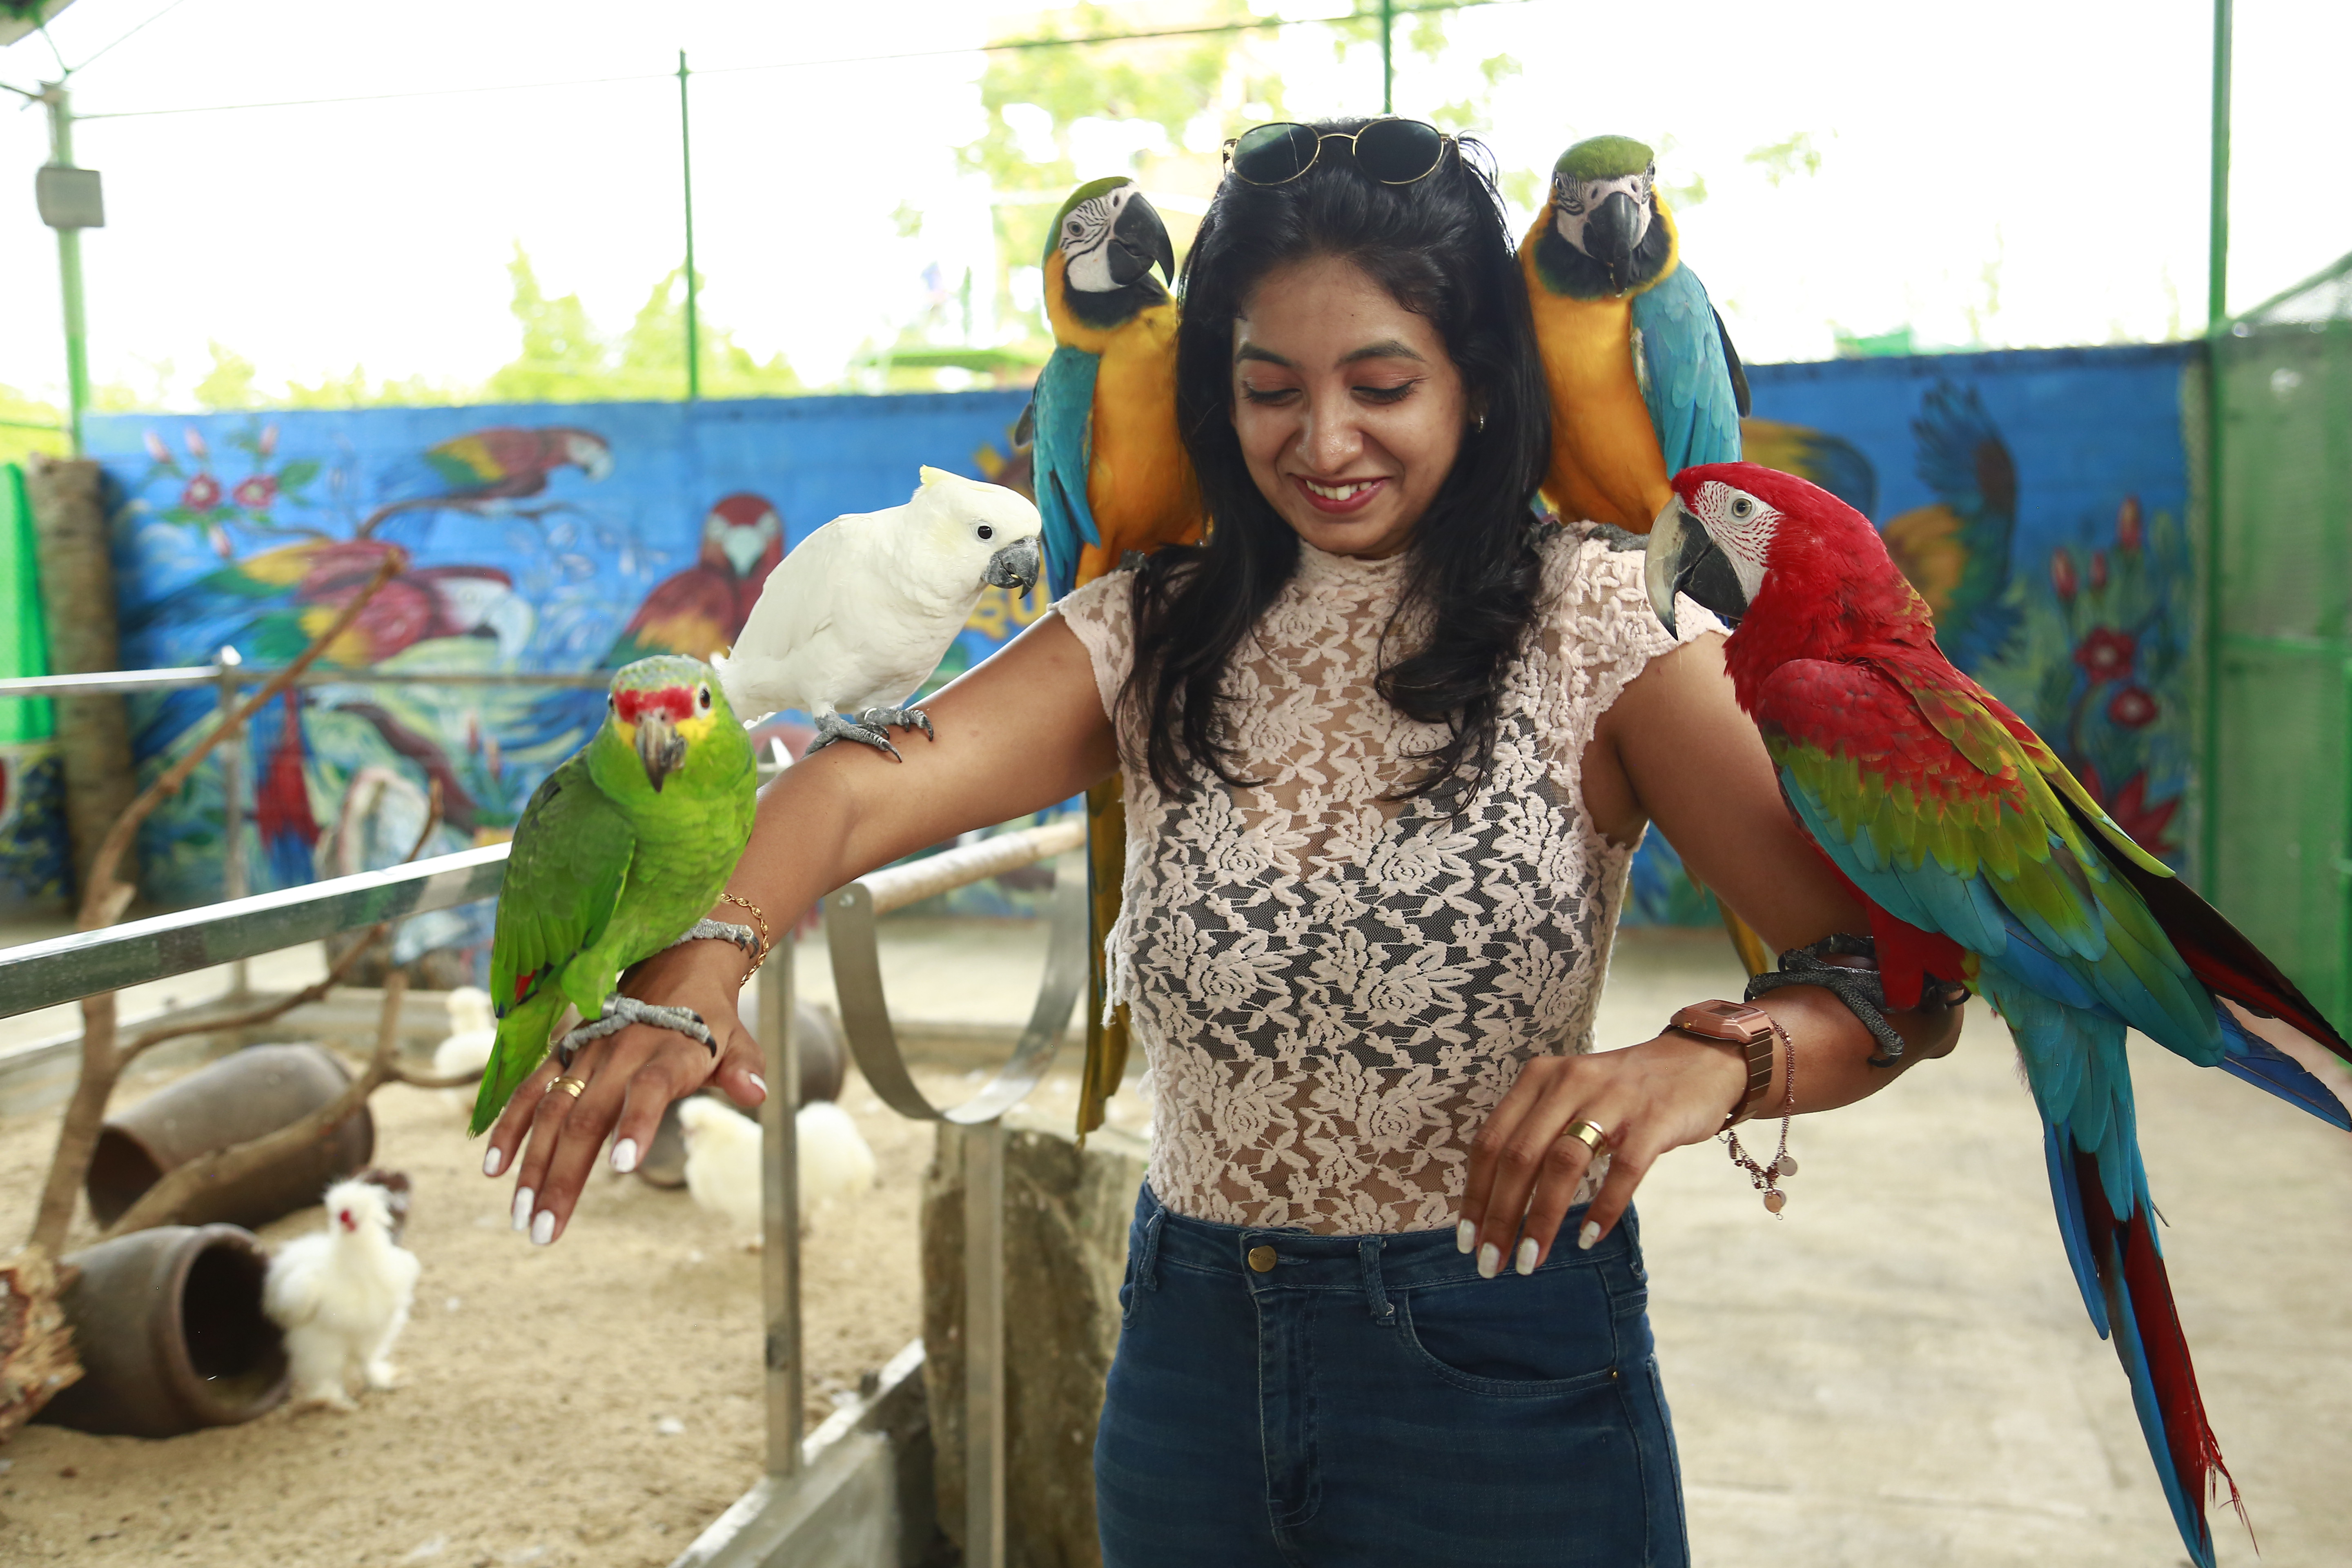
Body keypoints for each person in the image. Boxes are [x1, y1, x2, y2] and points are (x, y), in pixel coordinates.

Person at [482, 118, 1961, 1566]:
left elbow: (1899, 981)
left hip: (1503, 1381)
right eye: (1270, 389)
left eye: (1384, 384)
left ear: (1482, 387)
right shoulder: (1154, 623)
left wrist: (1703, 1062)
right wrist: (708, 962)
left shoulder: (1605, 624)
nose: (1324, 442)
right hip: (1191, 1362)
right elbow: (853, 793)